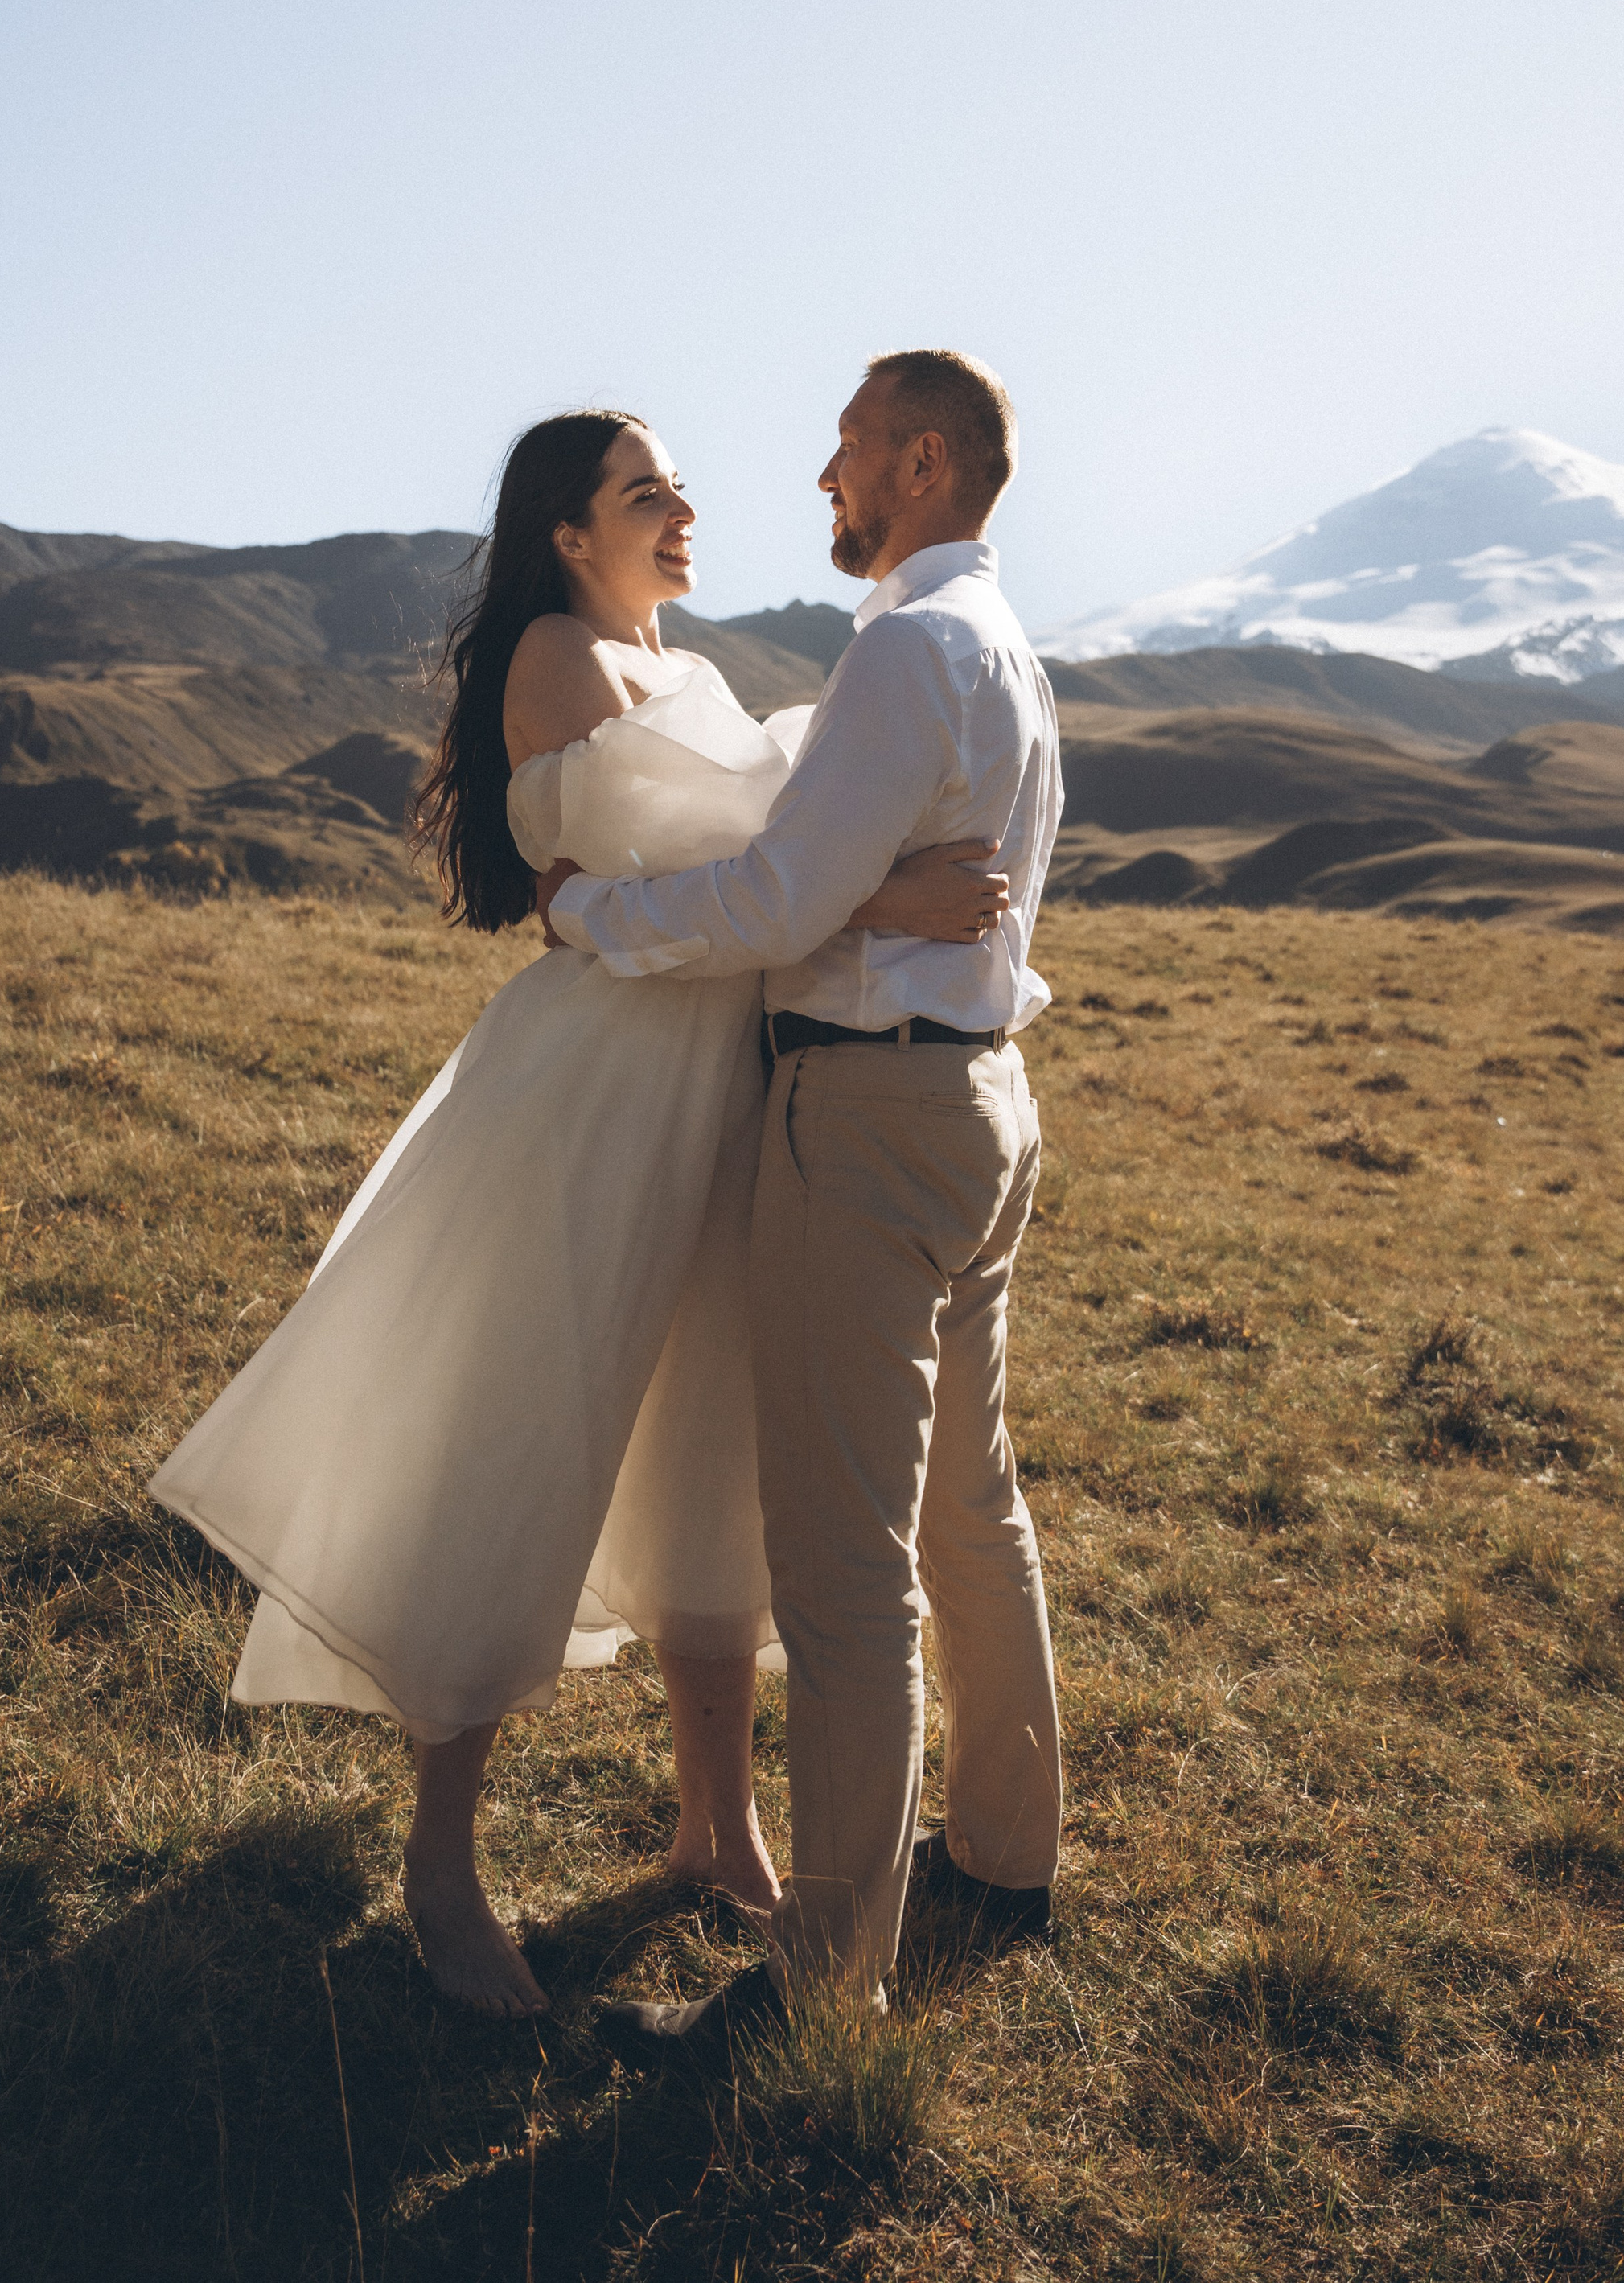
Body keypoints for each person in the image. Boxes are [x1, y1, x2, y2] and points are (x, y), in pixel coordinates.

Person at [149, 409, 1005, 2018]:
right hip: (599, 1100)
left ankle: (714, 1816)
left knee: (711, 1458)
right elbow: (717, 880)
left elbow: (756, 871)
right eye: (643, 491)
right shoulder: (559, 656)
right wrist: (871, 890)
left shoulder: (686, 672)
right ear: (567, 531)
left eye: (675, 484)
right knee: (524, 1452)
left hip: (735, 1098)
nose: (682, 507)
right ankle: (441, 1859)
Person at [538, 349, 1065, 2061]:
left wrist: (588, 922)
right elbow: (879, 895)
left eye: (845, 452)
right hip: (984, 1097)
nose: (822, 479)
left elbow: (775, 897)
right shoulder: (1007, 649)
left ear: (919, 462)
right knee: (964, 1505)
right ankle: (1002, 1851)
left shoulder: (911, 646)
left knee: (845, 1569)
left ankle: (816, 1983)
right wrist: (871, 904)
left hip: (865, 1117)